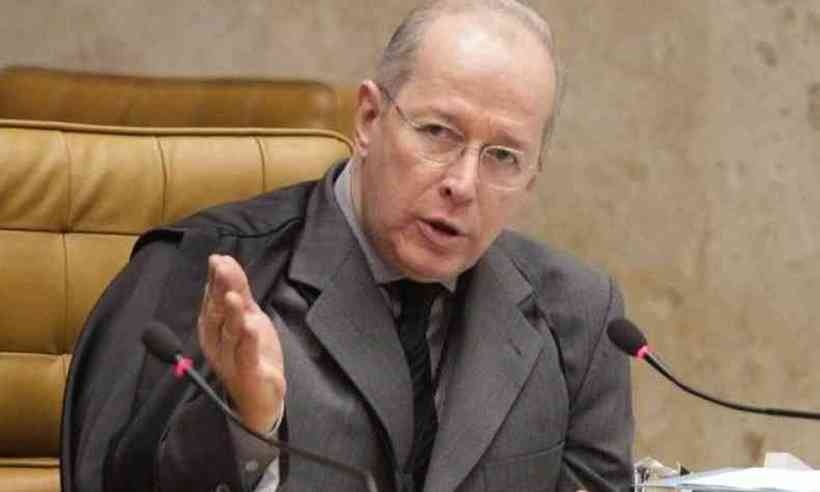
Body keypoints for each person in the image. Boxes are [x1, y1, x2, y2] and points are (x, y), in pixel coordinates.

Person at [61, 1, 634, 491]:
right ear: (368, 119)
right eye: (438, 132)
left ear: (532, 177)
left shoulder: (579, 317)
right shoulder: (201, 279)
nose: (462, 184)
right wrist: (246, 426)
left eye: (503, 156)